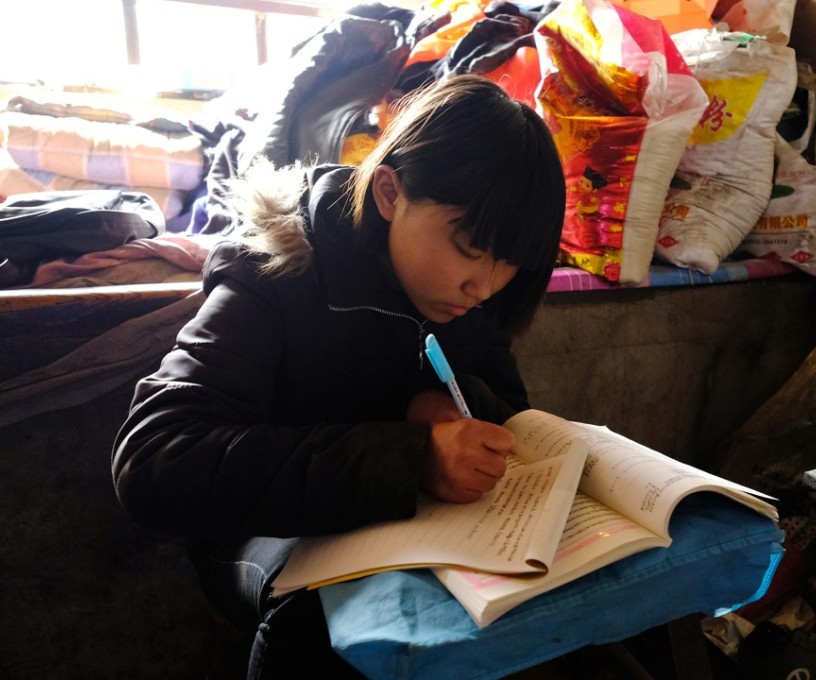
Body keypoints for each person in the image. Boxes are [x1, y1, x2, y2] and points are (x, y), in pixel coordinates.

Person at [111, 74, 566, 678]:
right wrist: (408, 457)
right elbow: (156, 459)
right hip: (264, 537)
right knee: (329, 626)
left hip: (420, 526)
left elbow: (503, 403)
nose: (484, 284)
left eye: (511, 261)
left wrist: (434, 406)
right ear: (388, 194)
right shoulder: (275, 265)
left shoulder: (467, 297)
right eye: (468, 247)